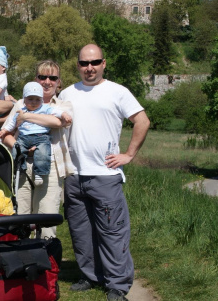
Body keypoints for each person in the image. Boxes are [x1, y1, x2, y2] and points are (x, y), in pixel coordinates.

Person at [59, 44, 150, 301]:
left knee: (112, 232)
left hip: (105, 176)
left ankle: (117, 285)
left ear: (104, 63)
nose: (89, 68)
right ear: (77, 65)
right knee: (80, 232)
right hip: (74, 175)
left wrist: (129, 155)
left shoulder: (117, 92)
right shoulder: (67, 93)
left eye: (95, 62)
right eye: (84, 63)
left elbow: (142, 121)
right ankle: (90, 276)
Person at [1, 60, 74, 238]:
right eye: (42, 77)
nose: (47, 81)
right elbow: (5, 134)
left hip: (52, 167)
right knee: (22, 216)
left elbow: (58, 122)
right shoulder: (20, 104)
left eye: (52, 77)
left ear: (59, 82)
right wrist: (21, 148)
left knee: (46, 217)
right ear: (36, 80)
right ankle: (21, 259)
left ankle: (46, 261)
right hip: (23, 165)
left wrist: (25, 117)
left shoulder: (62, 106)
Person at [0, 81, 70, 186]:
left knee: (42, 154)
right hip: (23, 138)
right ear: (24, 100)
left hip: (41, 137)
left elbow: (57, 113)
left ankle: (39, 173)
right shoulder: (20, 110)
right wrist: (4, 130)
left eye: (37, 99)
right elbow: (12, 123)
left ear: (41, 99)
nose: (34, 102)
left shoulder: (45, 108)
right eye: (30, 99)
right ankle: (19, 169)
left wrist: (64, 114)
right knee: (16, 152)